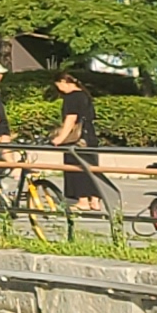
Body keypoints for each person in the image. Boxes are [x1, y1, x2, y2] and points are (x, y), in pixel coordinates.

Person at [51, 72, 106, 211]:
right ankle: (95, 200)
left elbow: (71, 119)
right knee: (92, 167)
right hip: (90, 136)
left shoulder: (71, 97)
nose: (59, 89)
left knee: (75, 167)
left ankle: (83, 200)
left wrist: (60, 138)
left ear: (63, 82)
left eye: (58, 85)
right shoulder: (85, 95)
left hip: (77, 138)